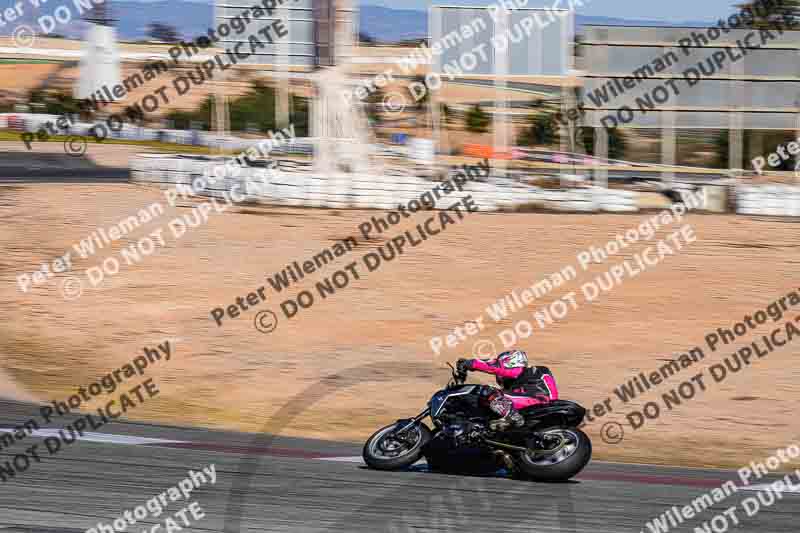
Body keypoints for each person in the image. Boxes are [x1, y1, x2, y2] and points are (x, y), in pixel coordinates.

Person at [457, 350, 558, 430]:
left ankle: (512, 417)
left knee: (487, 391)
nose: (499, 377)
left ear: (511, 361)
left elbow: (495, 367)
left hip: (539, 401)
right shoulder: (518, 385)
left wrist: (470, 363)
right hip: (534, 406)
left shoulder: (529, 371)